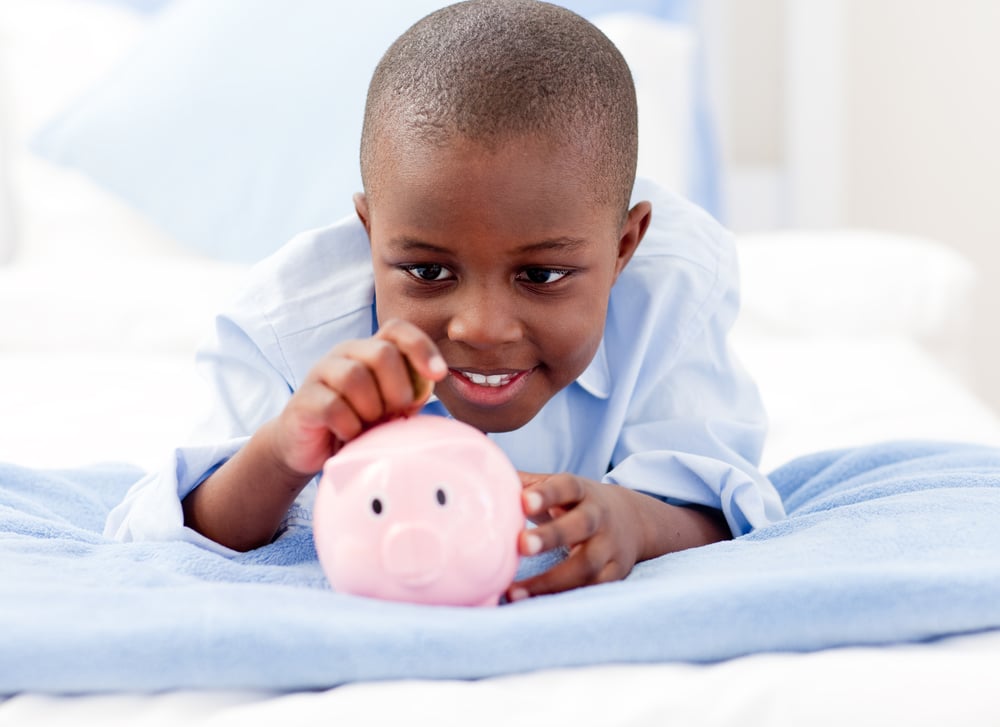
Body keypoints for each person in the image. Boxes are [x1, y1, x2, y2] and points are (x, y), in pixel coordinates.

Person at [105, 0, 784, 601]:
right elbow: (170, 529)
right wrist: (283, 450)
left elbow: (723, 496)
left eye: (541, 276)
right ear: (371, 236)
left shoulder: (672, 290)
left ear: (623, 248)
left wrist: (635, 519)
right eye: (428, 270)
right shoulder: (288, 322)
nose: (481, 327)